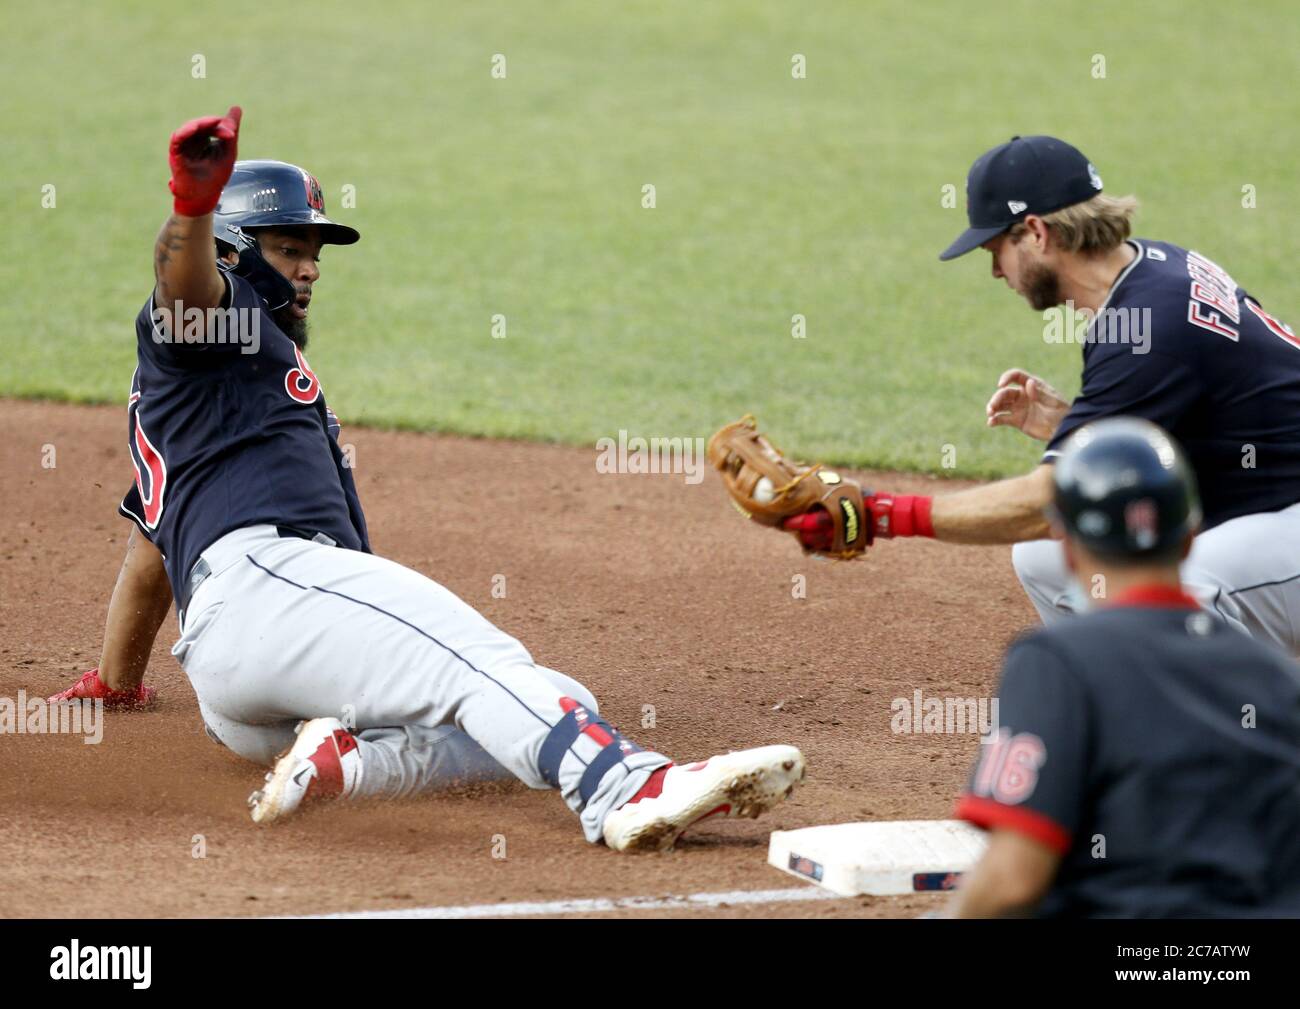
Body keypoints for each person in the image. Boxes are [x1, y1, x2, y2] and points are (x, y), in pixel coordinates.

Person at [47, 105, 805, 852]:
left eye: (315, 250)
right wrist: (193, 206)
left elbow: (151, 551)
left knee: (565, 699)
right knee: (483, 666)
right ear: (236, 253)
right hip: (274, 590)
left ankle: (351, 765)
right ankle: (625, 788)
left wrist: (118, 681)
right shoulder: (208, 328)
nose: (309, 266)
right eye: (287, 247)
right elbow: (181, 285)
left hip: (238, 688)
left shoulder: (210, 397)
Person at [783, 135, 1300, 654]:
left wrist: (883, 513)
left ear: (1035, 233)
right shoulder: (1158, 267)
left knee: (1185, 591)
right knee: (1046, 559)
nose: (993, 271)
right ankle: (1120, 696)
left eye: (994, 250)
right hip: (1273, 509)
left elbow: (1042, 501)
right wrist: (1077, 425)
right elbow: (1212, 416)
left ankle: (1237, 726)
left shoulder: (1141, 330)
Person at [946, 418, 1300, 917]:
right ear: (1190, 538)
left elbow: (1011, 881)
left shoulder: (1056, 662)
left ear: (1065, 546)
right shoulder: (1274, 676)